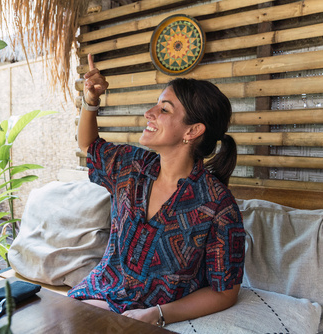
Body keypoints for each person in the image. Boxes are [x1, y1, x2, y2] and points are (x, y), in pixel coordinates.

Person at [67, 54, 245, 327]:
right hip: (96, 294)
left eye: (164, 109)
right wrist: (91, 101)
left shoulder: (217, 204)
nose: (149, 113)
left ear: (193, 130)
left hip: (146, 314)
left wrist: (159, 314)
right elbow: (89, 146)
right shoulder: (131, 167)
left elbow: (225, 291)